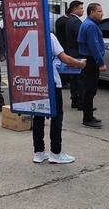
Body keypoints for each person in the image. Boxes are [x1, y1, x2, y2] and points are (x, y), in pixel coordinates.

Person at [32, 33, 87, 164]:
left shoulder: (26, 33)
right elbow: (65, 58)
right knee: (56, 117)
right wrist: (79, 64)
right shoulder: (48, 35)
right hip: (51, 83)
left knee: (38, 116)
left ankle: (38, 153)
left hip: (35, 81)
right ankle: (56, 153)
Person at [77, 2, 107, 128]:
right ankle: (87, 118)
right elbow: (93, 46)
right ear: (92, 12)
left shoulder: (89, 24)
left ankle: (88, 115)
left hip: (88, 59)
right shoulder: (90, 26)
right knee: (90, 90)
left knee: (89, 89)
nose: (102, 13)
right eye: (99, 11)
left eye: (101, 11)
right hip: (91, 60)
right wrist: (100, 62)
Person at [56, 0, 85, 109]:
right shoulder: (76, 22)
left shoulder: (68, 21)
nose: (83, 10)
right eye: (81, 8)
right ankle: (81, 102)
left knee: (74, 78)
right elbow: (81, 37)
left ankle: (75, 100)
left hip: (71, 51)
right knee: (80, 79)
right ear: (75, 9)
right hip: (77, 52)